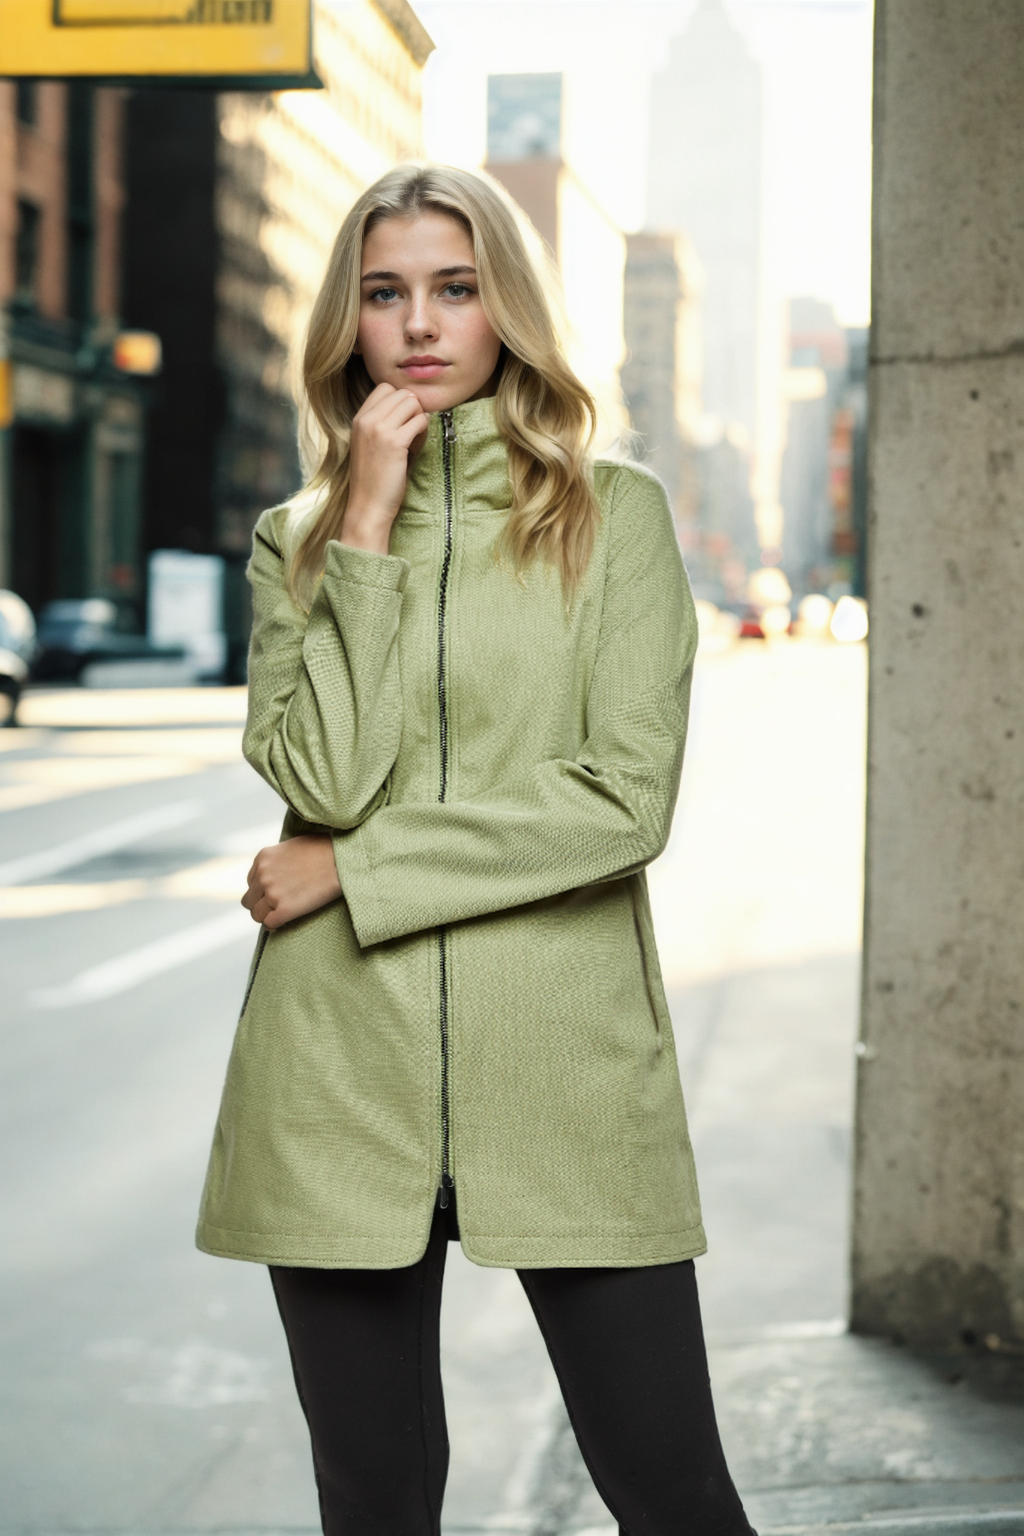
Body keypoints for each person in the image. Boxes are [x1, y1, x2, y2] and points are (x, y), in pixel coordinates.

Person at [197, 164, 754, 1536]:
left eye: (456, 288)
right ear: (348, 321)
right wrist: (364, 526)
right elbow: (322, 774)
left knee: (675, 1495)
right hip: (335, 1070)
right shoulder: (292, 542)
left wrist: (355, 870)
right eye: (385, 293)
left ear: (507, 306)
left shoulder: (614, 517)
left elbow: (623, 801)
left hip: (565, 1062)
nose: (421, 324)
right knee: (374, 1502)